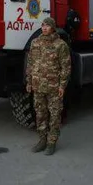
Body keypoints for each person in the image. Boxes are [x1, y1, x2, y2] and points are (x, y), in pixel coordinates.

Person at [26, 17, 71, 155]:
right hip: (38, 86)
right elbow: (30, 64)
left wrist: (62, 85)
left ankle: (52, 142)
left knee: (55, 115)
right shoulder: (35, 43)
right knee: (40, 114)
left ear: (53, 28)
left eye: (47, 26)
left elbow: (66, 66)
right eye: (43, 25)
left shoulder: (60, 45)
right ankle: (42, 140)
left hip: (53, 87)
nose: (44, 28)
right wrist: (29, 82)